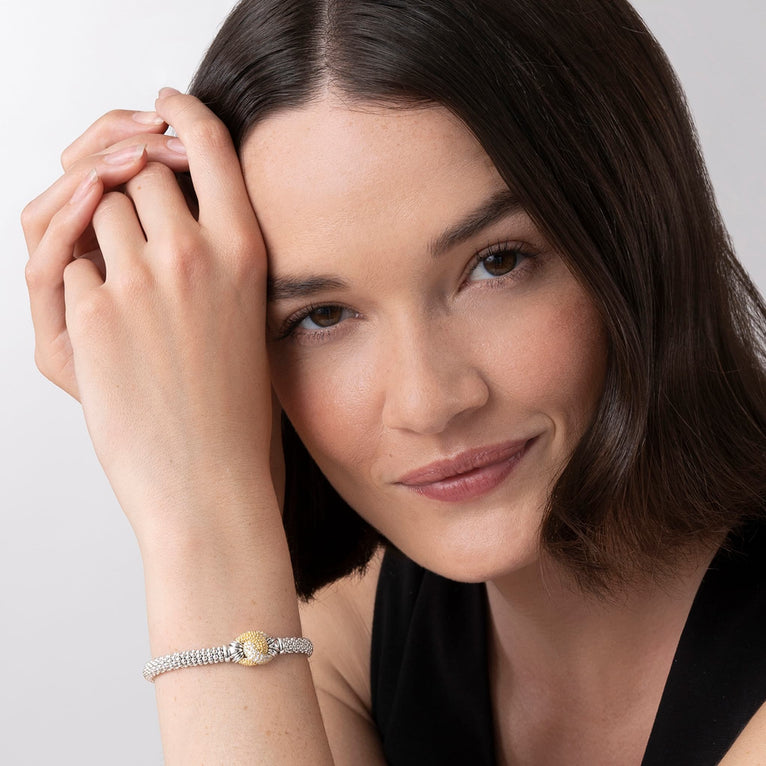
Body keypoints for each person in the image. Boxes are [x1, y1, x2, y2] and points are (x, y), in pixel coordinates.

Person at [21, 0, 766, 763]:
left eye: (497, 263)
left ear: (635, 232)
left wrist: (205, 535)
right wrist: (191, 492)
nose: (429, 402)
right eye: (323, 315)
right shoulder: (342, 635)